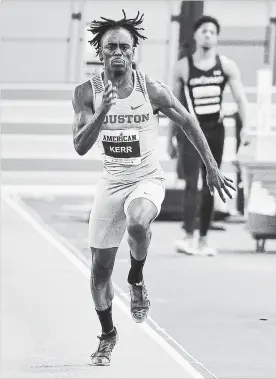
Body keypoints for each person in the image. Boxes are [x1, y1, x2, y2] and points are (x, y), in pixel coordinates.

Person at [72, 10, 235, 366]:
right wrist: (102, 113)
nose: (118, 52)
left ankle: (136, 278)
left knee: (137, 222)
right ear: (100, 50)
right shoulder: (87, 92)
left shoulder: (152, 90)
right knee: (99, 271)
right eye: (110, 46)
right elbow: (80, 145)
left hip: (147, 177)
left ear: (134, 52)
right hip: (111, 182)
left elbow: (189, 120)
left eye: (124, 47)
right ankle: (108, 334)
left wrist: (211, 167)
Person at [167, 15, 249, 257]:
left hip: (216, 130)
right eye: (203, 31)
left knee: (211, 182)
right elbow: (173, 104)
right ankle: (188, 237)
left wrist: (246, 128)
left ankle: (203, 239)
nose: (207, 35)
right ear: (195, 35)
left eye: (212, 32)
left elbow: (241, 99)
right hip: (191, 132)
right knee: (192, 183)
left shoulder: (226, 66)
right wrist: (171, 138)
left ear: (217, 37)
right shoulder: (183, 66)